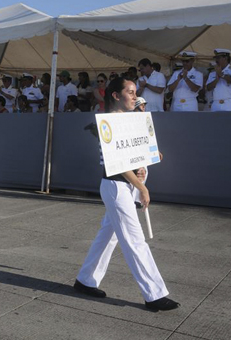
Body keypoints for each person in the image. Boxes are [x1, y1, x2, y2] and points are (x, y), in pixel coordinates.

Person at [73, 76, 179, 312]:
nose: (135, 96)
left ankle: (85, 280)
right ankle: (154, 295)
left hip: (125, 186)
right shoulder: (107, 124)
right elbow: (118, 164)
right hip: (116, 186)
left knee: (107, 237)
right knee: (134, 241)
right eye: (130, 92)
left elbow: (142, 156)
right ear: (115, 96)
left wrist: (149, 158)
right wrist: (142, 187)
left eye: (134, 91)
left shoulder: (131, 122)